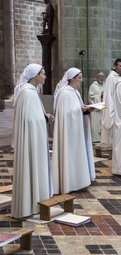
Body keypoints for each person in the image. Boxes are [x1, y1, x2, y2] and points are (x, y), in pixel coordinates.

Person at [11, 64, 54, 218]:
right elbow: (29, 120)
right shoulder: (28, 93)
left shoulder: (31, 92)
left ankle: (36, 200)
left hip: (35, 138)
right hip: (32, 139)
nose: (45, 76)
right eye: (43, 73)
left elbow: (33, 116)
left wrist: (44, 117)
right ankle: (31, 202)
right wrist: (41, 120)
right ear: (35, 75)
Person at [52, 68, 96, 194]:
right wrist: (82, 110)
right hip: (69, 133)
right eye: (79, 77)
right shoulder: (65, 93)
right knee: (69, 155)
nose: (81, 80)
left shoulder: (74, 92)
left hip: (76, 130)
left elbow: (75, 109)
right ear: (71, 78)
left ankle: (78, 180)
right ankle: (70, 182)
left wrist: (86, 109)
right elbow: (66, 114)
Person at [101, 58, 121, 145]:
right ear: (115, 66)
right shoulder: (111, 78)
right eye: (120, 66)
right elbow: (108, 95)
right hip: (114, 106)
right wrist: (110, 108)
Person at [88, 71, 105, 143]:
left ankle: (103, 139)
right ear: (97, 77)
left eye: (102, 76)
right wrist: (99, 96)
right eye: (99, 76)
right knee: (95, 125)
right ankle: (96, 139)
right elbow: (90, 97)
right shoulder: (93, 86)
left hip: (104, 109)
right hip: (95, 110)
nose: (101, 78)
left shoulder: (105, 85)